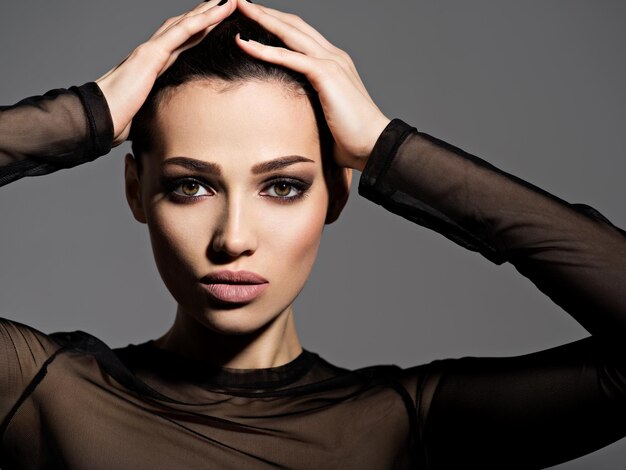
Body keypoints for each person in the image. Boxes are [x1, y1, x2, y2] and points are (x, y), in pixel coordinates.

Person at [1, 0, 625, 468]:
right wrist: (86, 114)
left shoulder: (403, 426)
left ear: (338, 192)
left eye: (282, 186)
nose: (233, 238)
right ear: (137, 191)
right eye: (191, 185)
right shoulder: (41, 390)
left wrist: (388, 149)